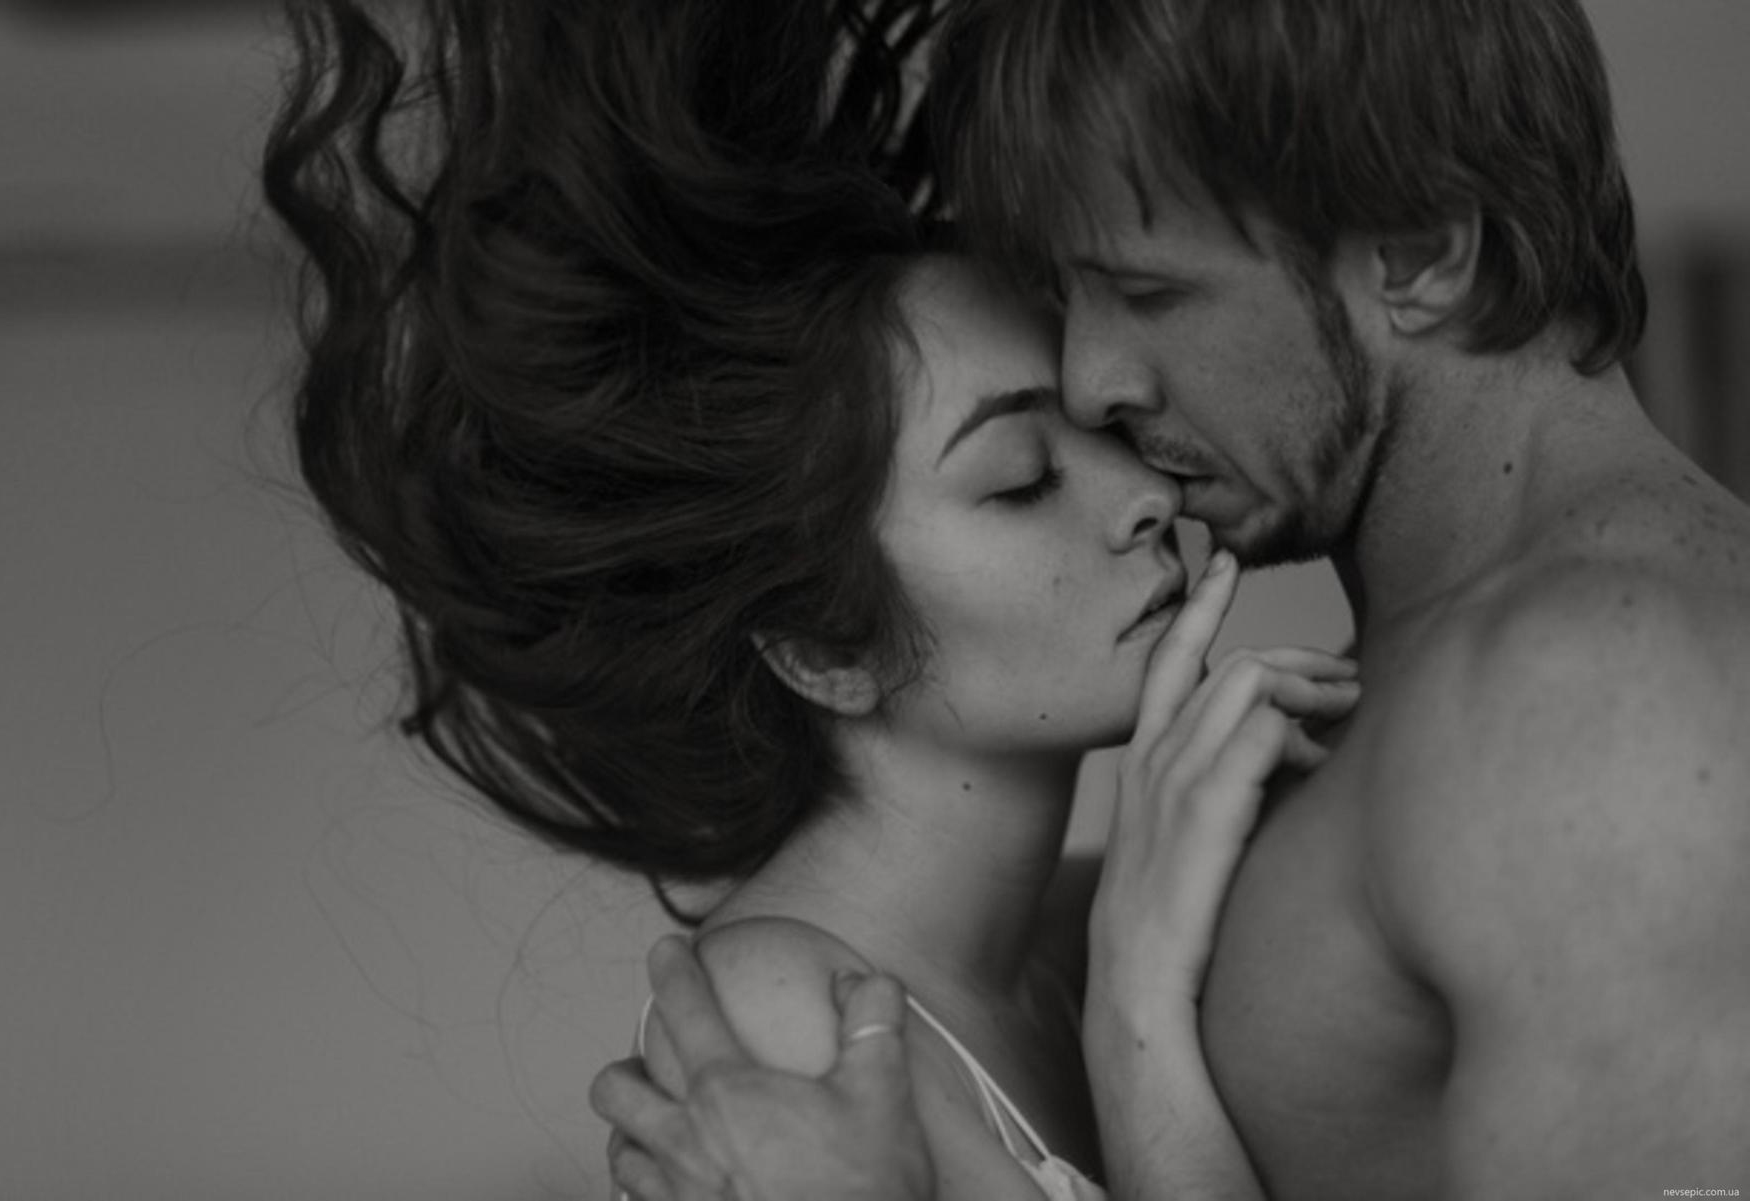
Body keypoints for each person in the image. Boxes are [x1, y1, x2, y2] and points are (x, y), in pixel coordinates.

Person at [591, 0, 1750, 1197]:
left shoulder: (1605, 704)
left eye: (1146, 293)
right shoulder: (1399, 713)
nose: (1094, 383)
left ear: (1416, 251)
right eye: (1066, 297)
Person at [262, 1, 1355, 1198]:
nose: (1145, 494)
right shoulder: (786, 1019)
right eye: (1022, 479)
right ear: (828, 647)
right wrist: (1139, 1010)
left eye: (1104, 428)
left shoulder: (1110, 906)